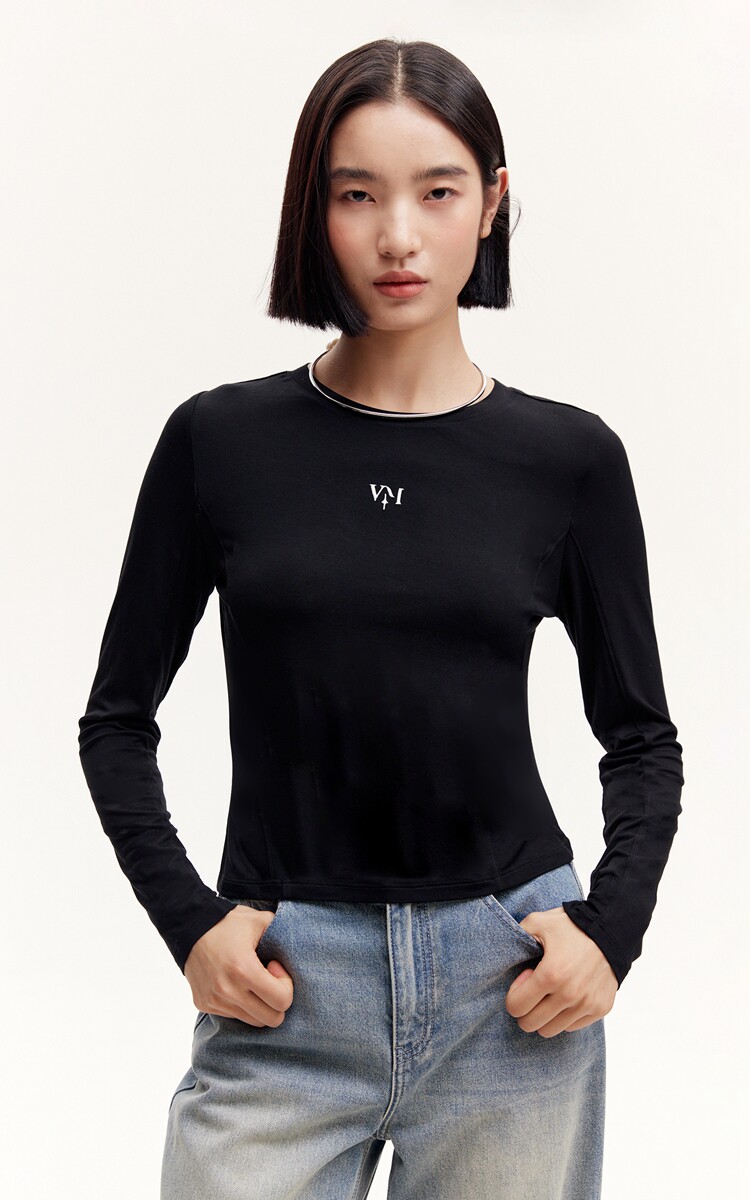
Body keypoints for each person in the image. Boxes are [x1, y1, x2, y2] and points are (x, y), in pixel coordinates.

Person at [77, 36, 684, 1200]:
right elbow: (115, 720)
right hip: (283, 989)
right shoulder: (219, 444)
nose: (398, 236)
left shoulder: (568, 460)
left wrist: (611, 932)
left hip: (511, 991)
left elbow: (642, 738)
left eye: (437, 192)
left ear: (492, 204)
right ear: (313, 212)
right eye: (357, 196)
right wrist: (188, 923)